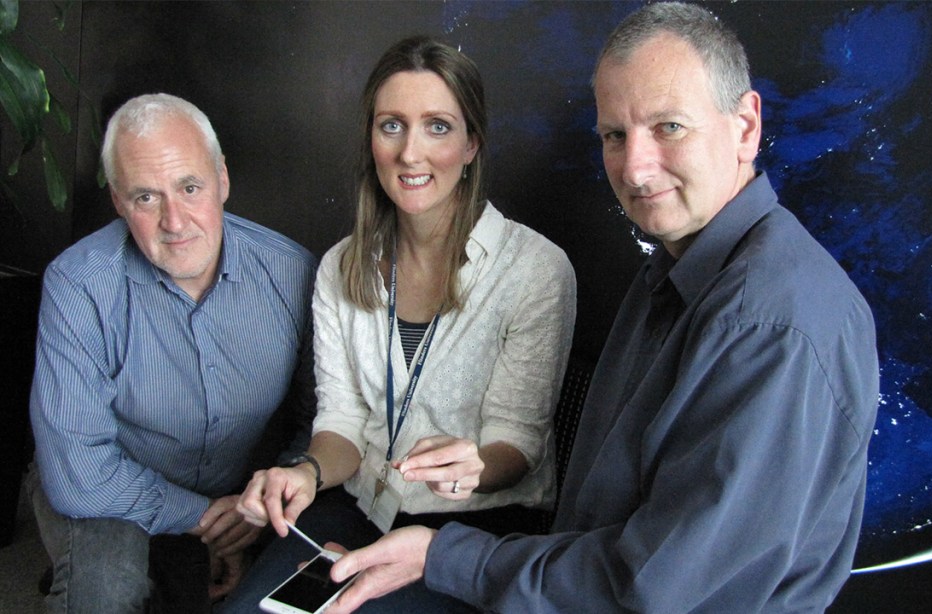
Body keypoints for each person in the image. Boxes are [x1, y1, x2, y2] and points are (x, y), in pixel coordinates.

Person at [318, 3, 881, 613]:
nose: (635, 168)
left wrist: (445, 556)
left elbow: (653, 587)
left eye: (668, 127)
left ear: (745, 126)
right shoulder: (672, 270)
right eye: (615, 135)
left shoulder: (771, 326)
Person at [220, 36, 576, 612]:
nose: (411, 153)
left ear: (471, 144)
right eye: (392, 126)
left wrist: (473, 466)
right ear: (371, 139)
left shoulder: (535, 270)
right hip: (362, 505)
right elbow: (341, 421)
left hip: (474, 529)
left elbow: (519, 442)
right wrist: (308, 472)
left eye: (437, 126)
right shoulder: (341, 264)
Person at [27, 93, 318, 613]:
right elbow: (80, 472)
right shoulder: (78, 285)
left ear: (222, 180)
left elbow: (317, 422)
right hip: (108, 490)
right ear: (118, 201)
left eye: (189, 187)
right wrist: (205, 516)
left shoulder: (293, 273)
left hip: (242, 493)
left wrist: (262, 501)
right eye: (145, 198)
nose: (175, 221)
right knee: (106, 590)